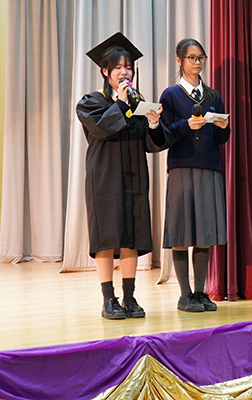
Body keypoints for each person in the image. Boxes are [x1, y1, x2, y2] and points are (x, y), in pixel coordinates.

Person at [76, 32, 172, 320]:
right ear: (105, 72)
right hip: (104, 178)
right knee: (106, 237)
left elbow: (153, 143)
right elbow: (103, 129)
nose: (124, 72)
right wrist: (120, 102)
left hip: (134, 177)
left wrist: (153, 123)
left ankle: (129, 297)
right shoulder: (90, 102)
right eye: (117, 67)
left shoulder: (137, 104)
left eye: (128, 67)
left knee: (132, 235)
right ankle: (109, 299)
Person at [159, 38, 230, 312]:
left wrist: (223, 126)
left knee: (204, 231)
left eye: (201, 57)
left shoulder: (213, 96)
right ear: (179, 61)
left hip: (209, 167)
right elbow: (164, 134)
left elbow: (222, 138)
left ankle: (200, 292)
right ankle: (184, 294)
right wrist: (186, 125)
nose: (197, 62)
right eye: (191, 57)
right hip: (181, 167)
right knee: (181, 230)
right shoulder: (171, 95)